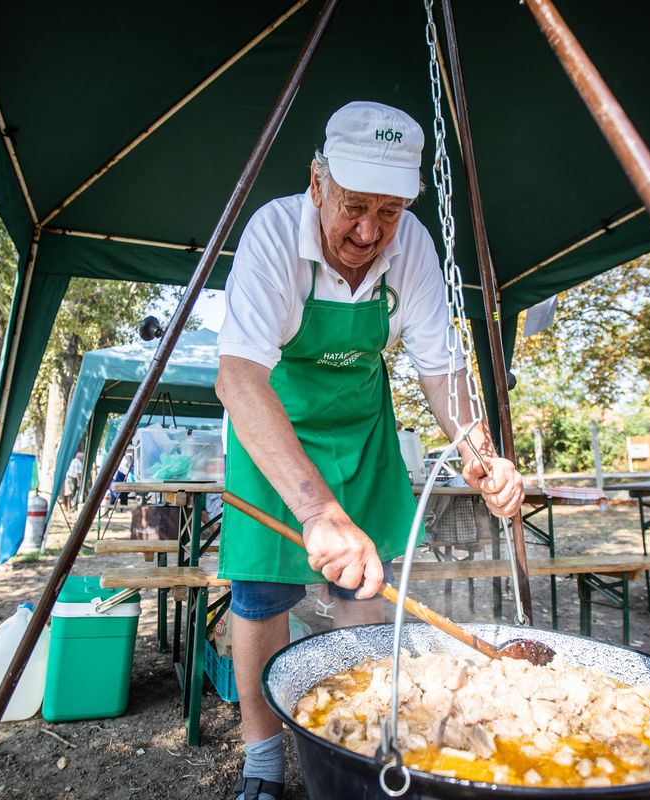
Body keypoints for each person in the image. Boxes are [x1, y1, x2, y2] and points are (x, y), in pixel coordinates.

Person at [215, 101, 524, 800]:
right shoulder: (272, 234)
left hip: (362, 427)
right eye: (355, 206)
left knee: (364, 586)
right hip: (277, 426)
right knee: (263, 593)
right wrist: (315, 508)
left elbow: (441, 371)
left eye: (387, 212)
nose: (368, 231)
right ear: (317, 182)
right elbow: (238, 378)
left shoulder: (410, 242)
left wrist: (480, 453)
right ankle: (262, 757)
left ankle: (355, 744)